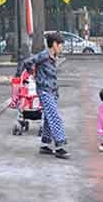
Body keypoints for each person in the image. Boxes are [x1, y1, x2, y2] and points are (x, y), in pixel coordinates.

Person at [23, 32, 70, 160]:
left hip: (52, 91)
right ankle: (60, 146)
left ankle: (45, 144)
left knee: (49, 118)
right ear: (54, 44)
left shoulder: (53, 57)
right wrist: (32, 73)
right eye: (61, 45)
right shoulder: (43, 55)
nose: (62, 48)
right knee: (55, 117)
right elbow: (27, 62)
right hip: (44, 91)